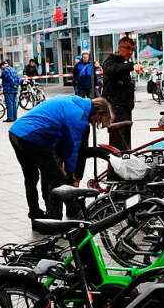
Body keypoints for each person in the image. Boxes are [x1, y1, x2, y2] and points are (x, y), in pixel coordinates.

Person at [9, 95, 113, 223]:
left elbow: (60, 135)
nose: (95, 124)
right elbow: (73, 148)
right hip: (32, 136)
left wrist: (60, 163)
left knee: (31, 177)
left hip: (16, 131)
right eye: (99, 121)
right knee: (56, 178)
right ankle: (54, 218)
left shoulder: (75, 101)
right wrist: (69, 172)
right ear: (98, 112)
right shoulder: (79, 117)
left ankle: (35, 213)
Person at [101, 37, 138, 150]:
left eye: (132, 50)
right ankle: (115, 166)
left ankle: (124, 163)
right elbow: (110, 69)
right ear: (120, 48)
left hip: (125, 108)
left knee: (125, 143)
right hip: (116, 109)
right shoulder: (111, 60)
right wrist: (131, 66)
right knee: (118, 142)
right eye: (128, 49)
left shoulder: (122, 62)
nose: (130, 52)